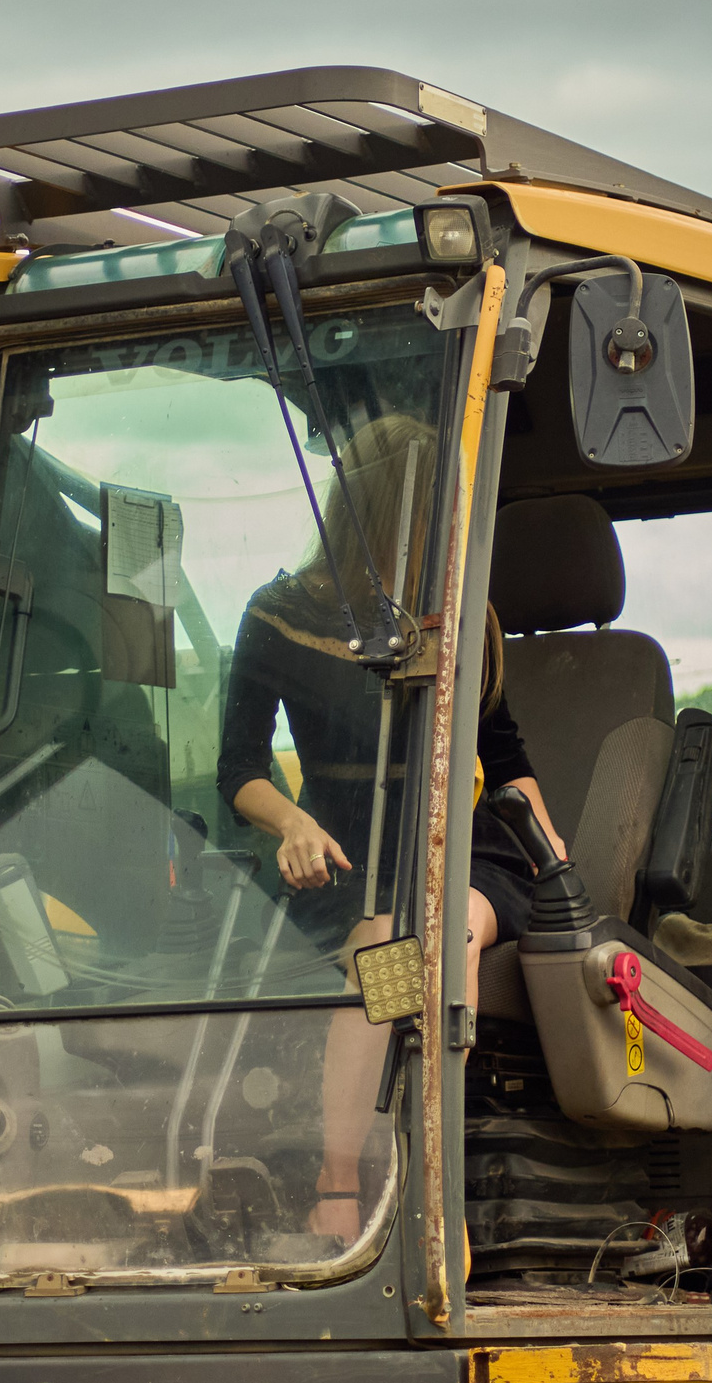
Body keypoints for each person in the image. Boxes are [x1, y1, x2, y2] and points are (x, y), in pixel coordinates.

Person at [217, 413, 569, 1243]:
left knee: (422, 944)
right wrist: (292, 821)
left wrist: (558, 865)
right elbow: (238, 771)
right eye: (441, 498)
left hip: (467, 848)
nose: (457, 516)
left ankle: (420, 1178)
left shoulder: (459, 613)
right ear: (387, 506)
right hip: (343, 851)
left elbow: (504, 754)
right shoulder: (278, 613)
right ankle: (344, 1181)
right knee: (386, 942)